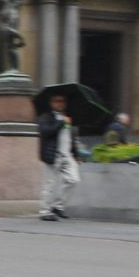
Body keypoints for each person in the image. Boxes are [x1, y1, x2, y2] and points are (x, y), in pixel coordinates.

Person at [37, 93, 79, 221]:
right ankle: (44, 211)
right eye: (56, 101)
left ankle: (58, 205)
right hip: (53, 154)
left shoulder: (66, 118)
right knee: (49, 184)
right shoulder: (46, 117)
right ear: (51, 103)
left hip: (67, 155)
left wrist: (75, 153)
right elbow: (45, 132)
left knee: (73, 180)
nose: (60, 103)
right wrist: (61, 123)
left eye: (62, 101)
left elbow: (70, 137)